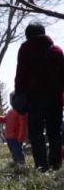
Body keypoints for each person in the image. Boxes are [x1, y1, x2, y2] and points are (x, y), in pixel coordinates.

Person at [15, 22, 64, 171]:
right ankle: (56, 164)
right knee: (55, 132)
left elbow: (21, 75)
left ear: (28, 34)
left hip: (34, 99)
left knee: (36, 133)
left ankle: (41, 167)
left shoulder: (25, 49)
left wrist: (19, 94)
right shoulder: (56, 50)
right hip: (55, 99)